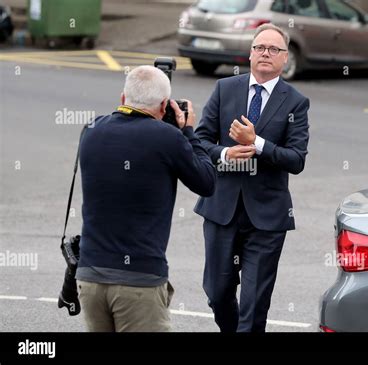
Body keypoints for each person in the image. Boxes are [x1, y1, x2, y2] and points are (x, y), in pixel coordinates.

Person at [76, 65, 216, 332]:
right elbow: (207, 182)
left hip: (91, 276)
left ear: (122, 98)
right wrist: (187, 131)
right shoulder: (168, 138)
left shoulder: (91, 130)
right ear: (164, 105)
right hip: (139, 279)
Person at [194, 23, 310, 332]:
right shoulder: (225, 88)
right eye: (260, 47)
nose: (265, 54)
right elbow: (199, 141)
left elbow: (296, 160)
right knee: (217, 295)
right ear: (250, 54)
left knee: (254, 305)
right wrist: (225, 154)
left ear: (285, 58)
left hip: (267, 218)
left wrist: (256, 143)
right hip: (221, 210)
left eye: (274, 49)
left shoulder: (296, 102)